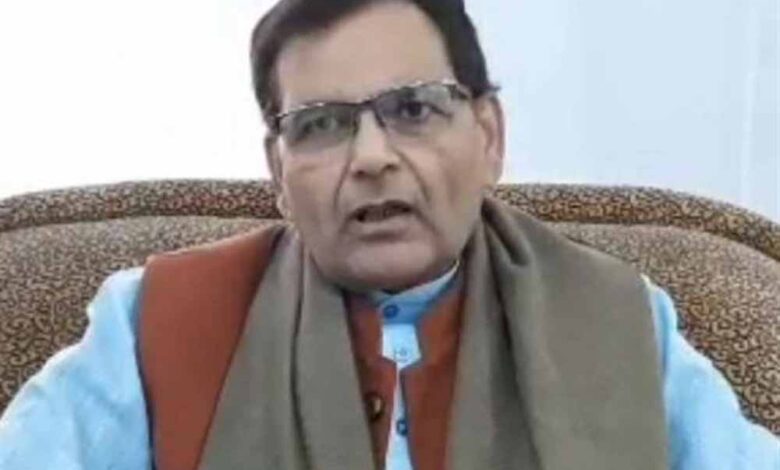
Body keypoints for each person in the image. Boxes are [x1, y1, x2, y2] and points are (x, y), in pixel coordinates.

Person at [0, 0, 778, 468]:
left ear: (489, 136)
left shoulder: (619, 319)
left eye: (413, 109)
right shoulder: (155, 320)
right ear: (278, 170)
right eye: (322, 124)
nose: (371, 157)